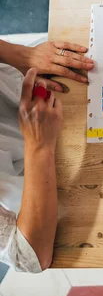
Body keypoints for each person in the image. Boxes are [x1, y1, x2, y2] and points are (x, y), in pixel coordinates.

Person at [0, 39, 94, 272]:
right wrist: (39, 145)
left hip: (28, 91)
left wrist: (19, 54)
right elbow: (30, 256)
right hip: (40, 182)